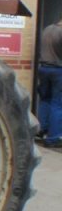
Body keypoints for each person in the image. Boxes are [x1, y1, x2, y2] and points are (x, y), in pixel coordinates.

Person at [38, 18, 62, 147]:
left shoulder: (47, 29)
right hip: (58, 71)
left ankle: (42, 130)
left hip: (43, 68)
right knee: (57, 104)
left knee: (45, 100)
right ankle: (53, 138)